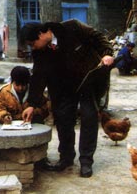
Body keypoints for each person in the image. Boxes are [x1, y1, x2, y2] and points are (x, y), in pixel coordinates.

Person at [20, 19, 114, 178]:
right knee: (62, 118)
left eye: (32, 43)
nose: (32, 47)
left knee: (89, 117)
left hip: (88, 80)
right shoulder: (40, 52)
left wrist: (107, 54)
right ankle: (66, 157)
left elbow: (98, 37)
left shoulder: (72, 28)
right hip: (64, 88)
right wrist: (32, 104)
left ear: (41, 34)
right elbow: (38, 77)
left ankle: (86, 161)